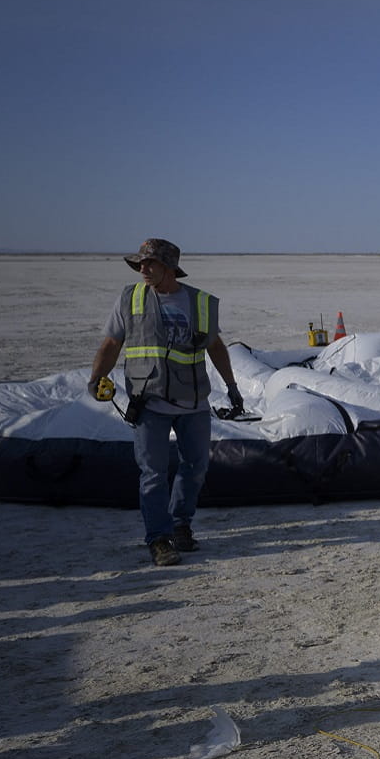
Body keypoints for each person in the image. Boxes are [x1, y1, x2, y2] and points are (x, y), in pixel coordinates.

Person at [89, 238, 243, 567]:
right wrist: (95, 378)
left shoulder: (199, 302)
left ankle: (180, 524)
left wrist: (231, 386)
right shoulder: (130, 299)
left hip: (194, 401)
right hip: (150, 401)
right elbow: (111, 344)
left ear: (170, 268)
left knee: (196, 467)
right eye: (140, 264)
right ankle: (159, 539)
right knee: (153, 474)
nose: (143, 270)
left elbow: (215, 347)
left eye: (150, 264)